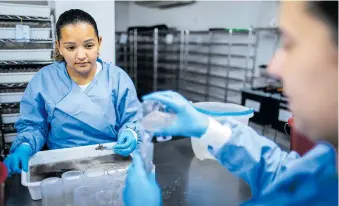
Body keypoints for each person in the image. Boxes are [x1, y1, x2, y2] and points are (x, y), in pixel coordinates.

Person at [123, 1, 338, 205]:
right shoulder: (327, 167)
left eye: (290, 43)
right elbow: (285, 174)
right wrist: (207, 127)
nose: (273, 67)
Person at [4, 9, 140, 176]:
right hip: (61, 167)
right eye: (71, 47)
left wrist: (131, 132)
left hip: (110, 163)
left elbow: (133, 119)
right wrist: (24, 146)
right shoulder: (45, 80)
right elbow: (34, 126)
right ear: (59, 47)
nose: (81, 55)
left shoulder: (117, 79)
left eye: (89, 45)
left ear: (99, 43)